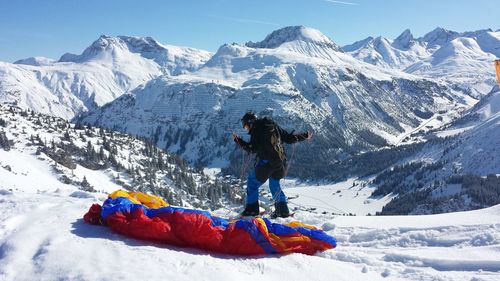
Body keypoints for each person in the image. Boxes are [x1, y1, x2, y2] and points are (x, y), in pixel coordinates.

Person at [232, 112, 312, 218]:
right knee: (274, 184)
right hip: (281, 162)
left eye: (246, 126)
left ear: (251, 123)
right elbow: (288, 138)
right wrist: (304, 136)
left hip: (267, 163)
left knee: (252, 182)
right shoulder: (272, 126)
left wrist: (238, 141)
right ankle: (282, 211)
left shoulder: (256, 130)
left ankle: (251, 211)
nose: (246, 129)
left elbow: (252, 149)